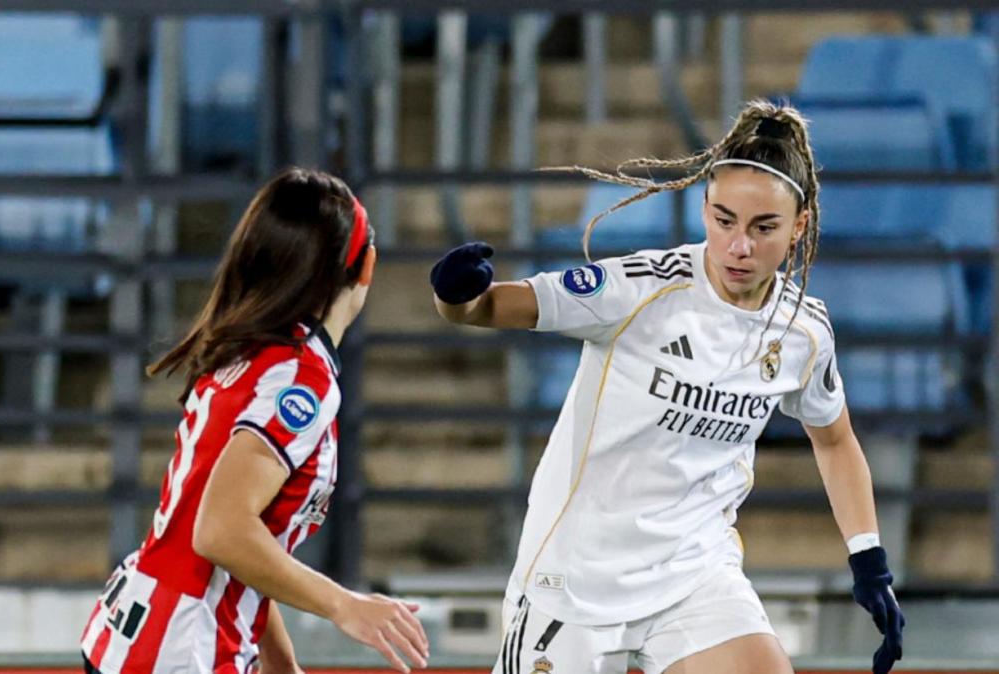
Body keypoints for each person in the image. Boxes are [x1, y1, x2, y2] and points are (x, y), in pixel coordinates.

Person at [429, 100, 904, 674]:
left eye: (764, 228)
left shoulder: (803, 331)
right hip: (575, 578)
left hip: (693, 574)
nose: (739, 246)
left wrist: (867, 557)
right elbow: (482, 309)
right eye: (724, 220)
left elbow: (834, 441)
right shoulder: (637, 289)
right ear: (703, 206)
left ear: (799, 226)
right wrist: (456, 294)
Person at [82, 168, 429, 674]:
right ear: (367, 265)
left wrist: (280, 662)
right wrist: (344, 604)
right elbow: (221, 530)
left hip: (142, 634)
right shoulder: (301, 378)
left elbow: (244, 537)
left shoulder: (254, 349)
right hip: (184, 649)